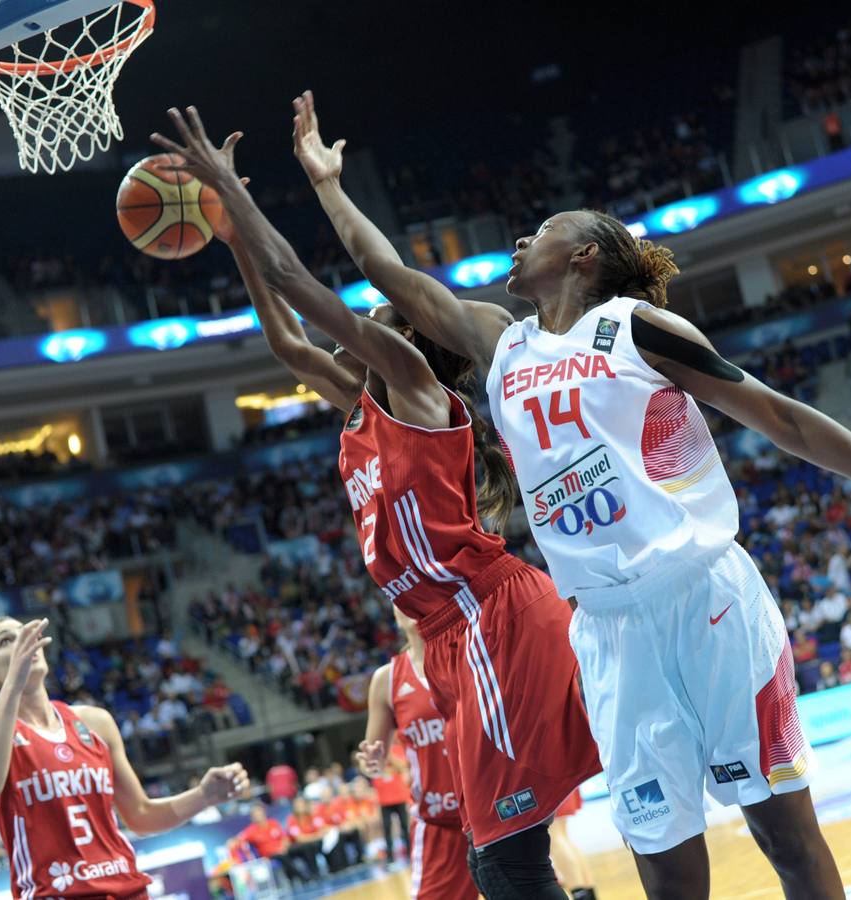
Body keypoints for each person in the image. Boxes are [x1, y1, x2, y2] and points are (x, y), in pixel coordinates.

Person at [287, 91, 851, 899]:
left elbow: (781, 418)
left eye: (543, 230)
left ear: (587, 255)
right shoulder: (502, 342)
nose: (520, 241)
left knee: (785, 835)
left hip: (707, 598)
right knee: (663, 870)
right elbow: (389, 273)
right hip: (608, 629)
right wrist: (328, 186)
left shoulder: (637, 328)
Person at [150, 104, 601, 900]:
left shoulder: (412, 381)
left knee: (505, 856)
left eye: (372, 323)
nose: (349, 335)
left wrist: (235, 197)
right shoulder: (360, 404)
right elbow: (287, 340)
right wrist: (230, 239)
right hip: (452, 633)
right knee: (488, 855)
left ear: (396, 338)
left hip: (489, 618)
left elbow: (298, 283)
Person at [0, 617, 250, 899]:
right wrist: (14, 680)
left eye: (24, 634)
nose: (23, 643)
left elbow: (141, 815)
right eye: (7, 641)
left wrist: (204, 796)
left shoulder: (94, 721)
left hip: (126, 887)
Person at [359, 607, 476, 899]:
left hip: (492, 811)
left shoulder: (470, 652)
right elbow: (373, 762)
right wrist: (372, 762)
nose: (405, 603)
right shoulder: (387, 680)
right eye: (396, 600)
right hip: (439, 824)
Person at [236, 802, 311, 887]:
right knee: (281, 856)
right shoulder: (251, 830)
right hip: (269, 855)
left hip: (283, 849)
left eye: (260, 813)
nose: (258, 815)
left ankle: (312, 874)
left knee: (305, 848)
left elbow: (284, 837)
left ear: (264, 813)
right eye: (255, 814)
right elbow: (239, 840)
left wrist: (284, 846)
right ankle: (302, 878)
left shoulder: (273, 823)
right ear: (252, 817)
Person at [549, 789, 598, 900]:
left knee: (554, 836)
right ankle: (588, 895)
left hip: (544, 780)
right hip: (558, 778)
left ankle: (580, 894)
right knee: (561, 835)